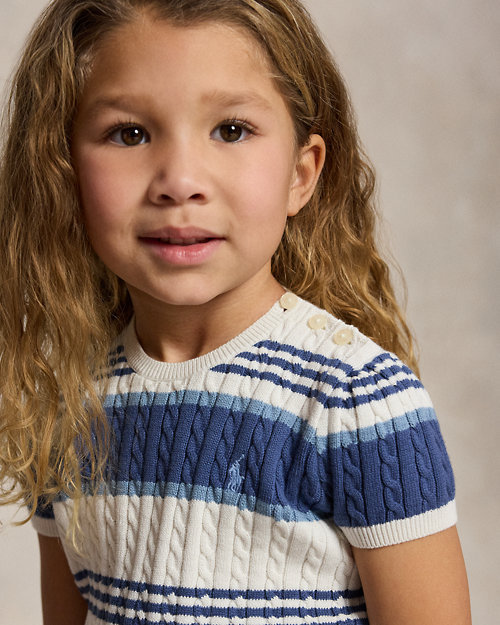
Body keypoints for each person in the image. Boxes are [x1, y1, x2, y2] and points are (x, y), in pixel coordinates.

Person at [0, 0, 471, 623]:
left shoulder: (356, 400)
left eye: (230, 130)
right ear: (62, 171)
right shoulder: (67, 402)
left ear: (301, 175)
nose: (180, 181)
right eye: (130, 133)